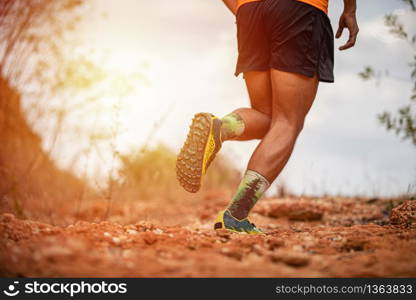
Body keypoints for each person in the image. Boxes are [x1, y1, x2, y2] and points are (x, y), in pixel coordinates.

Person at [176, 0, 359, 234]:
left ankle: (220, 128)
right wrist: (349, 11)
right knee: (288, 122)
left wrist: (244, 9)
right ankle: (235, 216)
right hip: (300, 10)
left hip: (251, 11)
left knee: (268, 117)